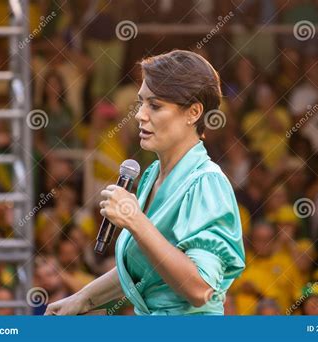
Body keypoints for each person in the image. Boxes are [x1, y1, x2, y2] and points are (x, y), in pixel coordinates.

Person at [45, 50, 245, 315]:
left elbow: (200, 289)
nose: (140, 115)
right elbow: (147, 267)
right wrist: (82, 299)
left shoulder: (206, 182)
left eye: (155, 105)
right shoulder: (152, 174)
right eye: (141, 103)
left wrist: (135, 220)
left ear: (194, 112)